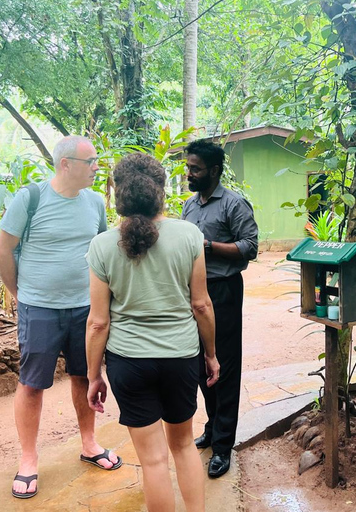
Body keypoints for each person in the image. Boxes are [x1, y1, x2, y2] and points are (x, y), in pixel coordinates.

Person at [85, 153, 220, 512]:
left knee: (154, 461)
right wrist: (210, 355)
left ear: (118, 194)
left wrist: (93, 375)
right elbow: (202, 305)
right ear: (159, 190)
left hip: (128, 363)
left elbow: (98, 322)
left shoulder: (101, 245)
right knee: (183, 446)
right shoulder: (190, 235)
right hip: (181, 357)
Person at [0, 136, 121, 500]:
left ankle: (90, 443)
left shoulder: (95, 202)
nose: (98, 166)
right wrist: (21, 294)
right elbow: (2, 251)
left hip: (86, 309)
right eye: (91, 160)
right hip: (40, 309)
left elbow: (101, 251)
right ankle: (29, 459)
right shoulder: (30, 199)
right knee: (32, 383)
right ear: (66, 164)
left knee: (85, 375)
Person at [181, 140, 258, 478]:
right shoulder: (188, 206)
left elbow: (250, 247)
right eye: (188, 167)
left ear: (213, 170)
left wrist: (209, 246)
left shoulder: (233, 204)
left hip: (223, 291)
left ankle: (223, 447)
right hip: (192, 294)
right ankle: (212, 428)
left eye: (195, 168)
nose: (189, 174)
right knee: (201, 367)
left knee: (223, 367)